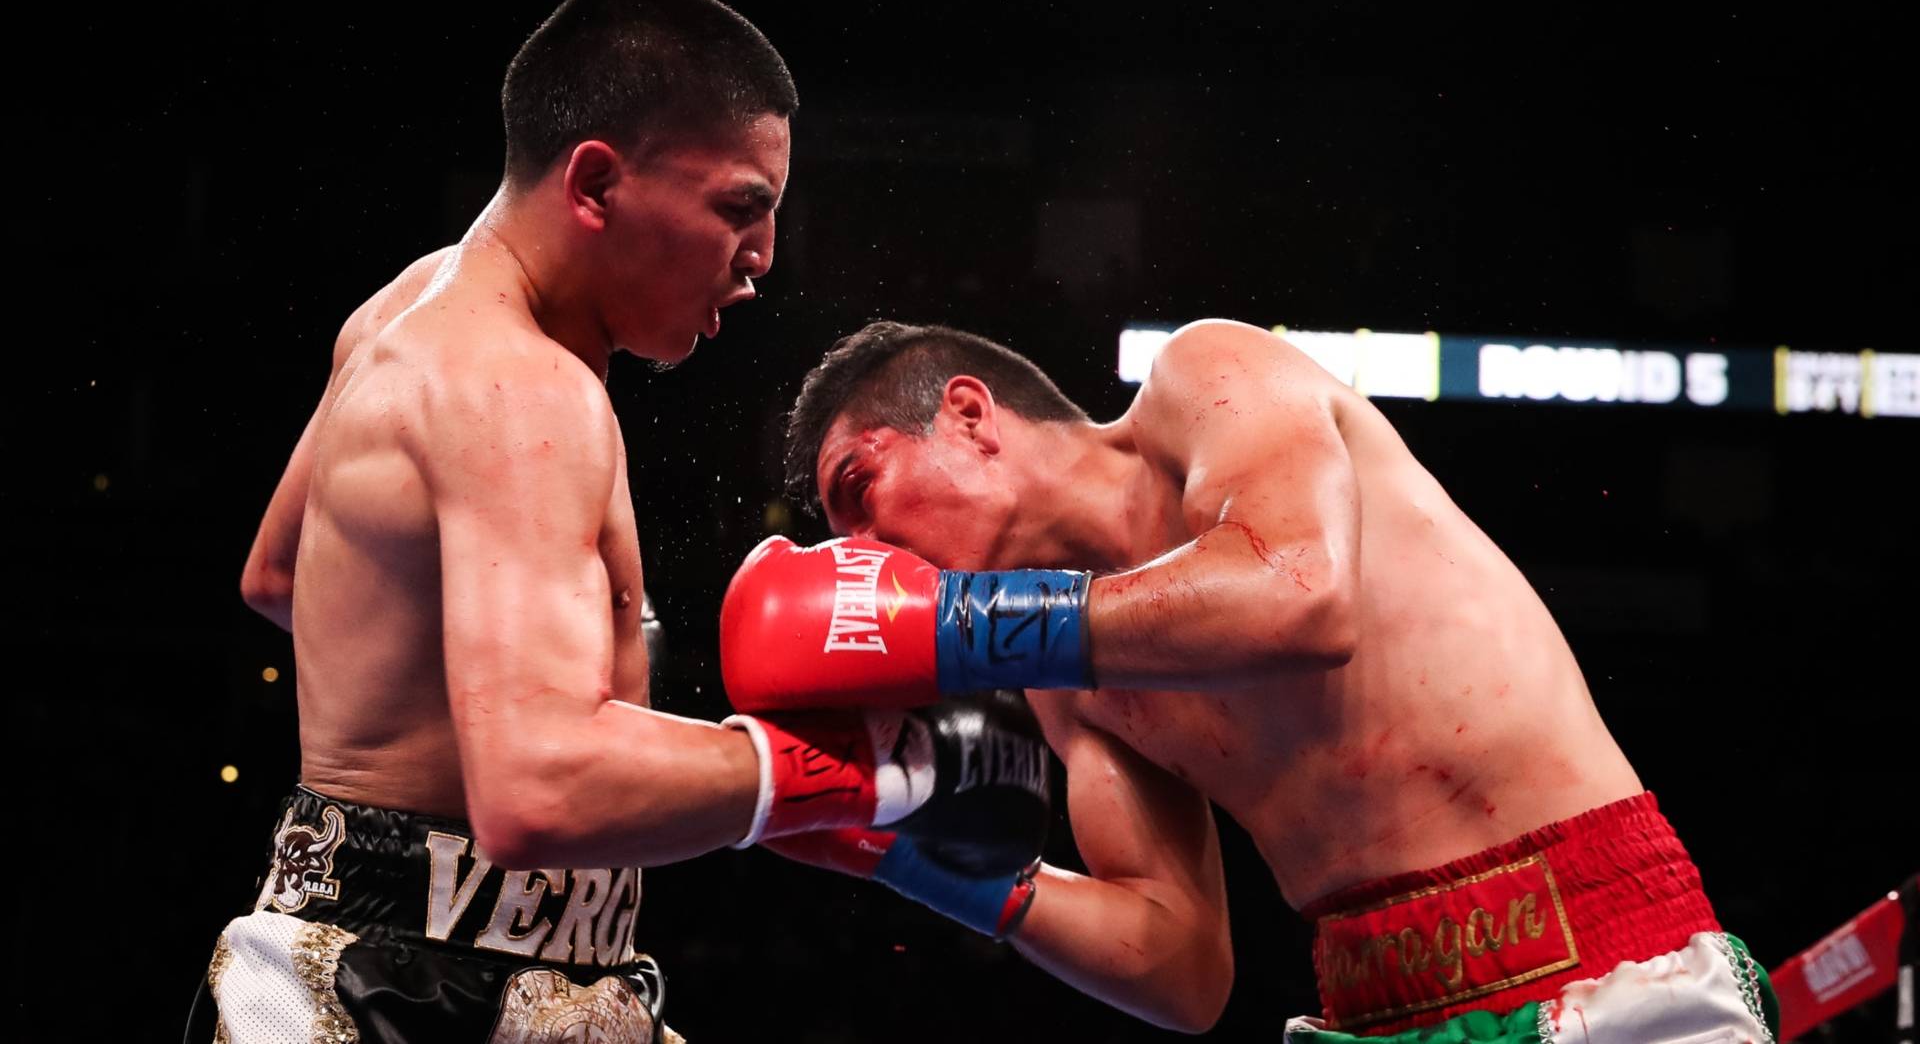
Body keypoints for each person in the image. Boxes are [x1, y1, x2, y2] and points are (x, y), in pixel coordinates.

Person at [192, 0, 1049, 1043]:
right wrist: (878, 770)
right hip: (417, 987)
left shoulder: (405, 308)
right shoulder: (521, 386)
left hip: (419, 952)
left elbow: (283, 577)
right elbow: (538, 794)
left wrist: (523, 673)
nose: (763, 256)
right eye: (738, 207)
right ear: (597, 182)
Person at [720, 319, 1780, 1041]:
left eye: (862, 487)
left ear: (969, 413)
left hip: (1598, 958)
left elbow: (1299, 593)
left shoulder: (1207, 378)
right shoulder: (1064, 681)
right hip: (1370, 1012)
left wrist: (953, 630)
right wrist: (902, 855)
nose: (867, 559)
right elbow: (1180, 966)